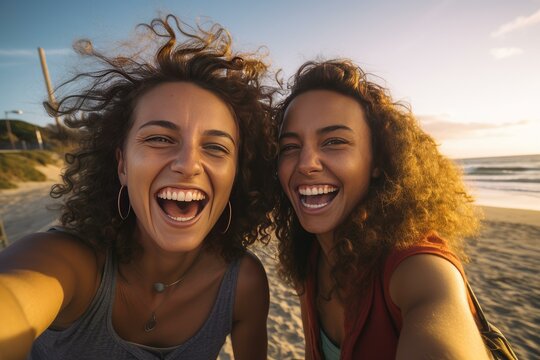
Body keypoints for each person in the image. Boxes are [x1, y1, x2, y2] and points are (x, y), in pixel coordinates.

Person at [0, 15, 276, 360]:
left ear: (236, 173)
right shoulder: (67, 263)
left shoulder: (243, 284)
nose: (188, 164)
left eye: (216, 147)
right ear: (122, 164)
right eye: (160, 138)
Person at [272, 59, 491, 359]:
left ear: (377, 161)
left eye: (334, 141)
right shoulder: (309, 257)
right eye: (290, 147)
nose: (306, 162)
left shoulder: (418, 267)